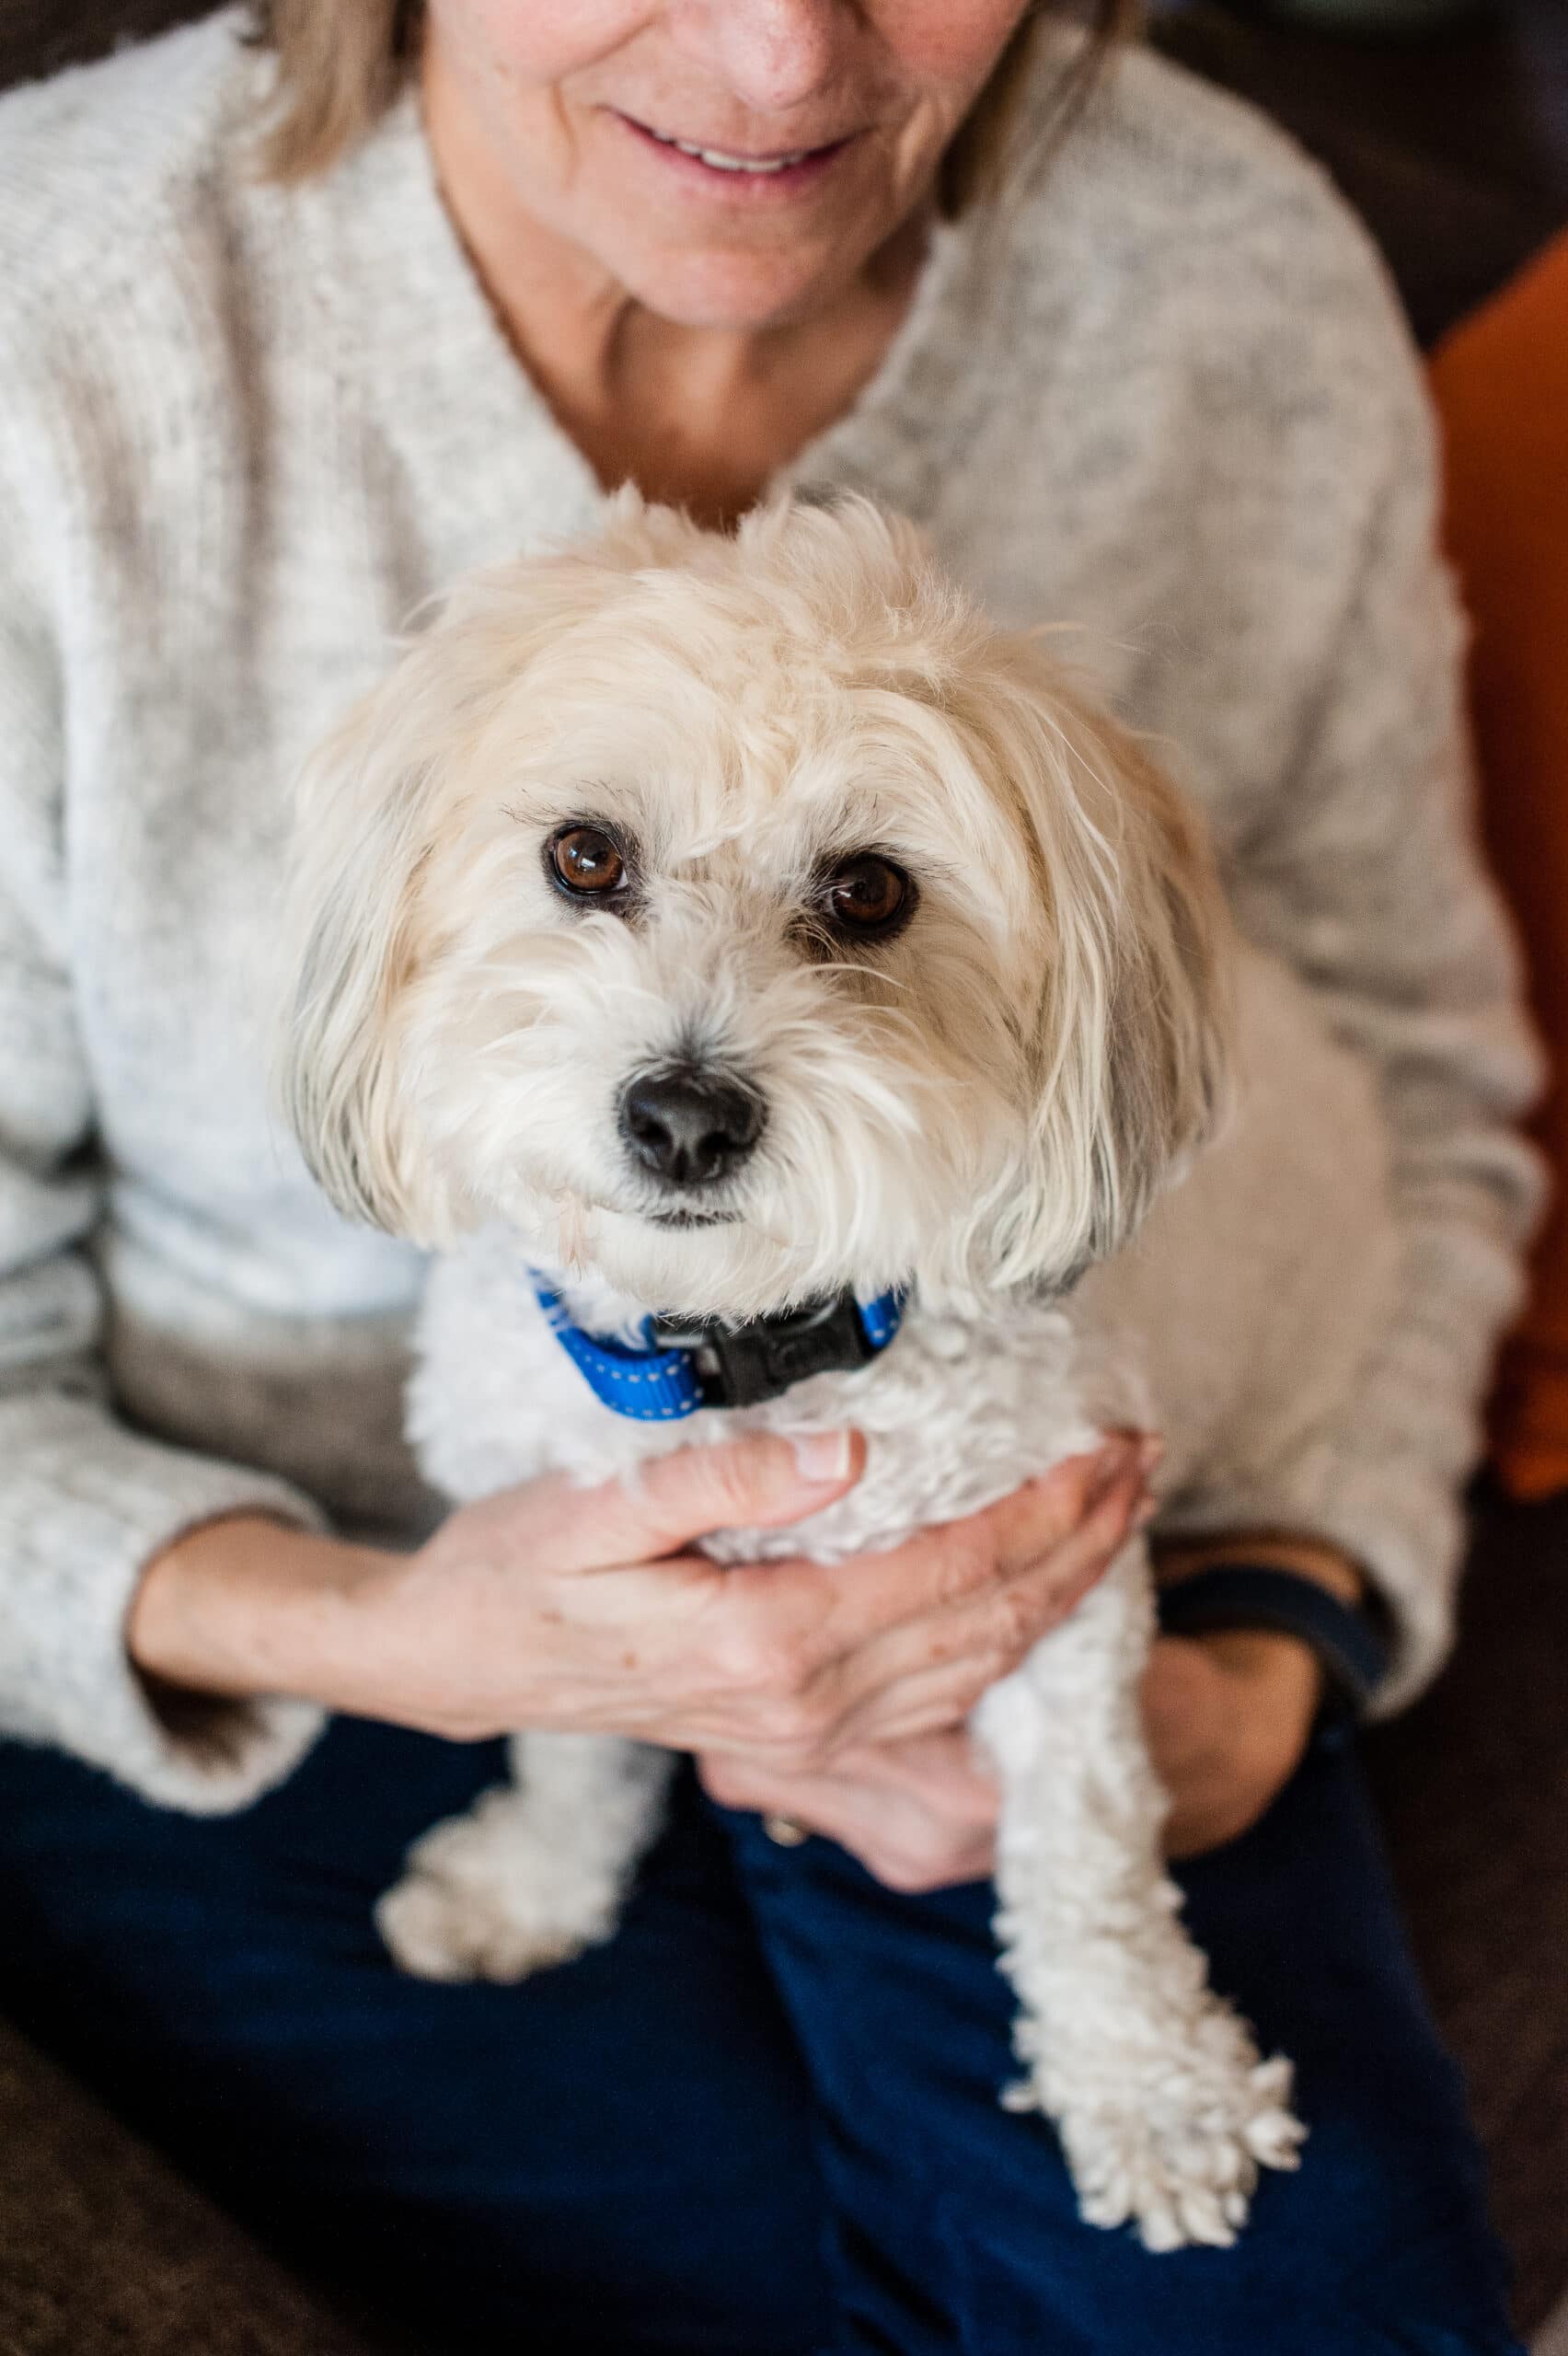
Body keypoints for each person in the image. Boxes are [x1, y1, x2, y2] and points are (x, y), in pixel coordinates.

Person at [0, 3, 1541, 2350]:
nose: (771, 46)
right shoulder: (54, 318)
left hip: (1015, 1514)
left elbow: (1409, 1075)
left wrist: (1290, 1618)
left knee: (1282, 2300)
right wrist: (381, 1631)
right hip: (273, 1595)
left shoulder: (1231, 279)